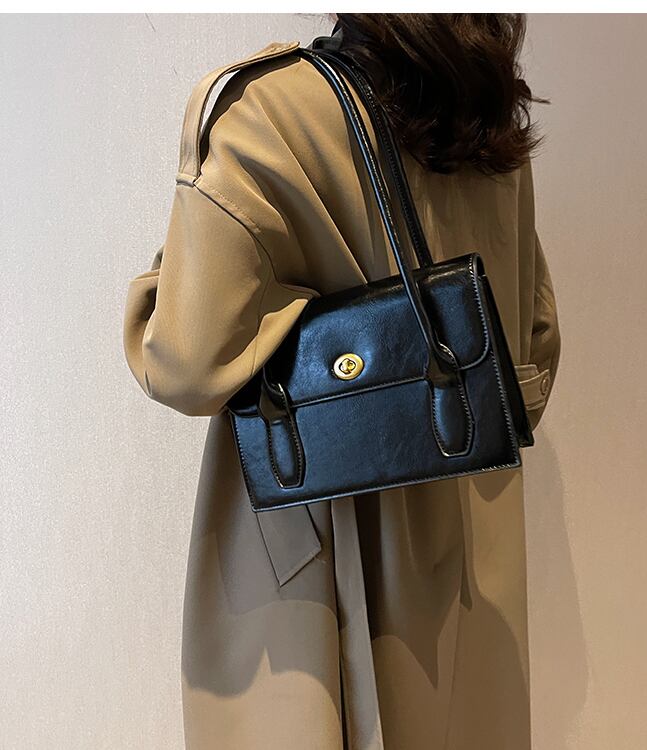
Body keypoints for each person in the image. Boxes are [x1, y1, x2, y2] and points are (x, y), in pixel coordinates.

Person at [122, 13, 561, 750]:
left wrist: (160, 283)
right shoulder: (487, 119)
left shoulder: (267, 111)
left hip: (311, 568)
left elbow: (185, 364)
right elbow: (534, 355)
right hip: (472, 569)